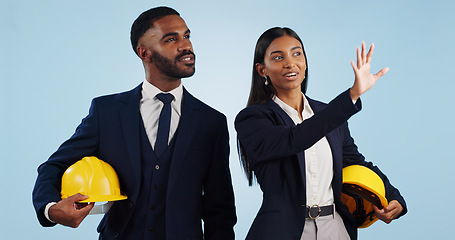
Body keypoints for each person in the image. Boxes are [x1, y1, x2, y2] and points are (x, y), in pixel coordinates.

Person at [32, 6, 236, 240]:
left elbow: (219, 209)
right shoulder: (107, 112)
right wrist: (51, 210)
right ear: (144, 53)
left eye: (187, 36)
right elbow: (53, 166)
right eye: (171, 39)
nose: (186, 46)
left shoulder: (212, 122)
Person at [234, 27, 407, 240]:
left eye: (297, 53)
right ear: (263, 70)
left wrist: (394, 197)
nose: (290, 62)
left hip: (335, 228)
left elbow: (354, 163)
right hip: (283, 231)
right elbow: (293, 139)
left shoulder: (327, 113)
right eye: (278, 57)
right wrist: (351, 96)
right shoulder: (252, 119)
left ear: (305, 62)